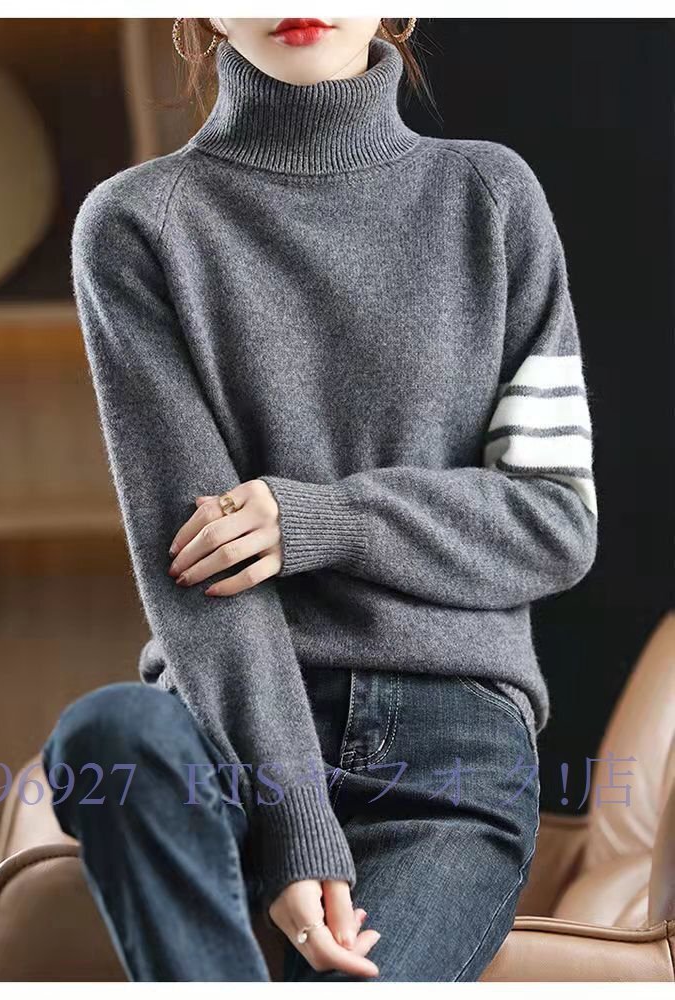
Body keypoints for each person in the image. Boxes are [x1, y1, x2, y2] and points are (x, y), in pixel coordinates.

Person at [41, 16, 598, 982]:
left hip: (446, 760)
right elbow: (197, 570)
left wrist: (323, 522)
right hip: (224, 737)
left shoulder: (489, 195)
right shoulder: (135, 224)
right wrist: (291, 820)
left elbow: (554, 520)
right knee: (108, 734)